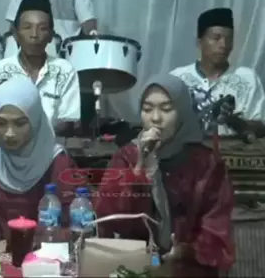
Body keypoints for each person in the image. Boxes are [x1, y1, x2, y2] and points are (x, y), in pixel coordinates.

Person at [94, 74, 235, 275]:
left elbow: (217, 236)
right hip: (134, 268)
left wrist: (186, 252)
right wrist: (140, 167)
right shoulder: (126, 156)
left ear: (182, 112)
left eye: (166, 109)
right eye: (147, 109)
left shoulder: (207, 164)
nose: (155, 118)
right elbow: (109, 220)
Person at [0, 75, 74, 240]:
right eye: (1, 123)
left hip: (44, 253)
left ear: (35, 121)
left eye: (20, 124)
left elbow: (73, 227)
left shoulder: (56, 162)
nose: (9, 133)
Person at [4, 0, 98, 133]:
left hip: (68, 55)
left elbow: (89, 23)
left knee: (88, 78)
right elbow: (13, 27)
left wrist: (91, 38)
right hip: (32, 48)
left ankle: (75, 133)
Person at [0, 0, 80, 135]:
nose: (34, 34)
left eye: (42, 28)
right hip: (7, 146)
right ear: (15, 34)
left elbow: (68, 122)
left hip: (51, 146)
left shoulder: (65, 71)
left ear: (51, 35)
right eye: (27, 27)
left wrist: (31, 137)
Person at [170, 7, 265, 138]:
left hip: (234, 150)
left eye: (229, 39)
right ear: (199, 42)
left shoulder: (247, 78)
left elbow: (262, 129)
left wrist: (233, 121)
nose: (224, 45)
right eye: (216, 38)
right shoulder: (178, 79)